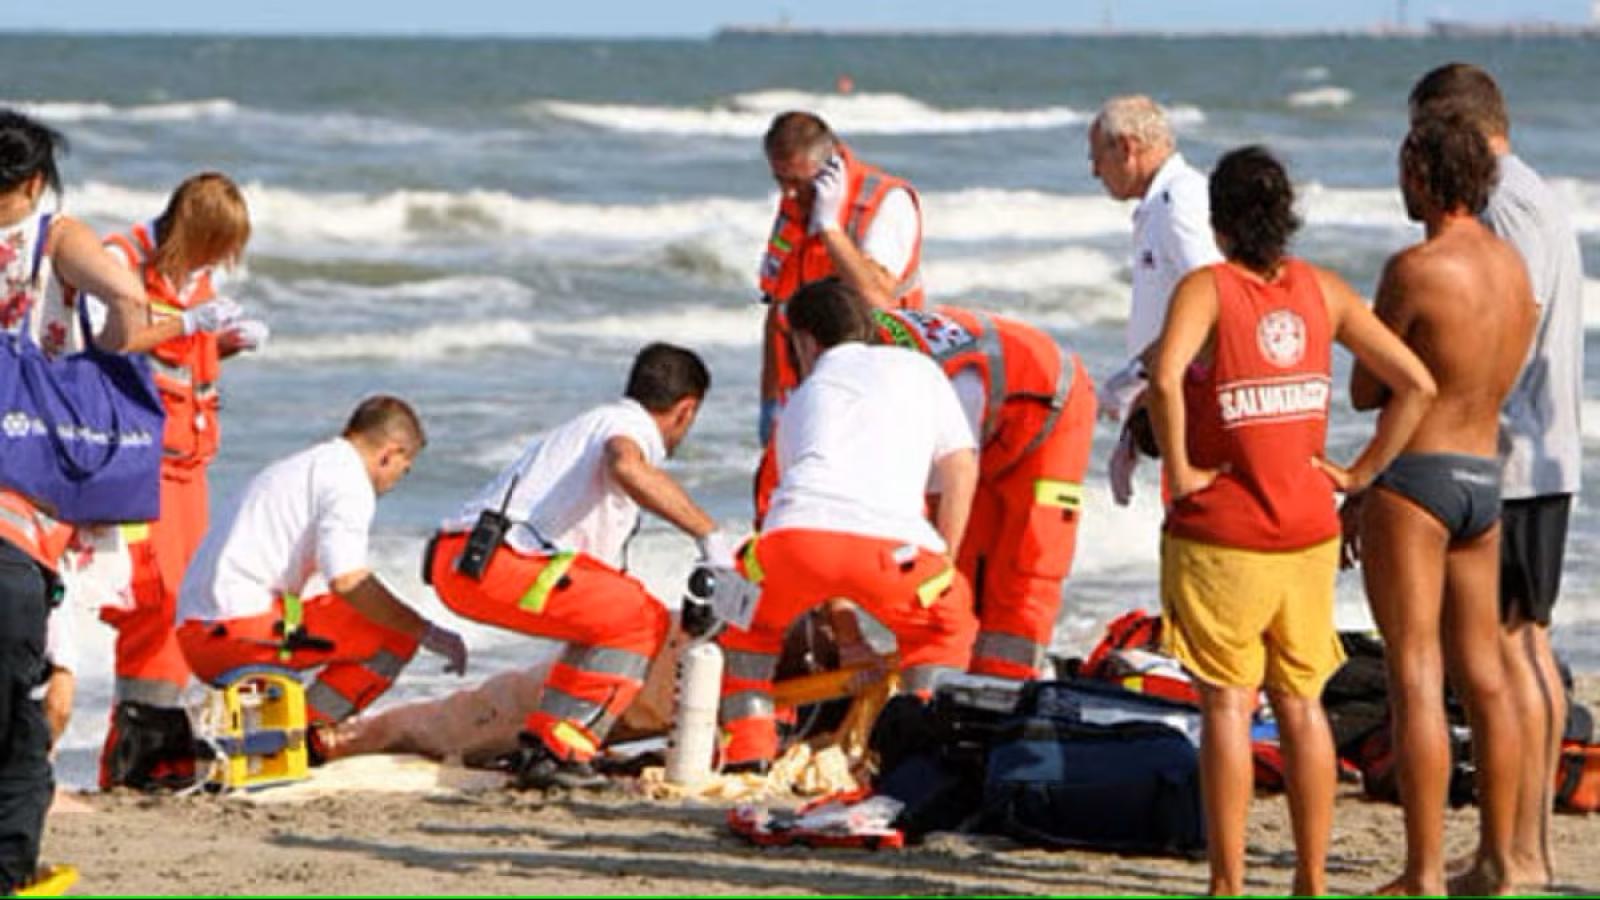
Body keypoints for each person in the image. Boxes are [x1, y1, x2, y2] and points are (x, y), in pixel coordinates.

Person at [1147, 146, 1435, 897]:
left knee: (1227, 705)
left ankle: (1228, 884)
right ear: (1287, 216)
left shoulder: (1206, 289)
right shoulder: (1326, 290)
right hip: (1310, 526)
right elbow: (1416, 383)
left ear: (1217, 223)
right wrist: (1360, 471)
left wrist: (1179, 468)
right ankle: (1310, 881)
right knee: (1301, 703)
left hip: (1224, 532)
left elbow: (1165, 375)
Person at [1347, 116, 1537, 896]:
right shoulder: (1513, 270)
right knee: (1485, 674)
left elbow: (1366, 388)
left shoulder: (1414, 268)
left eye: (1404, 166)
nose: (1399, 180)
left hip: (1415, 479)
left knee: (1416, 674)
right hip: (1482, 478)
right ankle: (1498, 857)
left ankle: (1423, 872)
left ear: (1425, 173)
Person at [1408, 63, 1586, 890]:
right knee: (1528, 647)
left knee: (1506, 653)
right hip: (1549, 449)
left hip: (1510, 452)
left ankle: (1512, 854)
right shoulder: (1541, 192)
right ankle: (1529, 850)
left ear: (1456, 130)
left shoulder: (1503, 204)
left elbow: (1507, 322)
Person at [426, 343, 729, 790]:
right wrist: (710, 537)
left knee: (606, 617)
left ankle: (544, 748)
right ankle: (565, 747)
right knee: (639, 618)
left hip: (460, 559)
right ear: (686, 410)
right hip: (496, 560)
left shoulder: (588, 426)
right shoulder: (628, 427)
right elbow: (625, 463)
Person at [0, 108, 166, 894]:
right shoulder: (54, 236)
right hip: (34, 483)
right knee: (40, 680)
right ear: (34, 182)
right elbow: (126, 303)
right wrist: (147, 326)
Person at [719, 278, 979, 772]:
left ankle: (747, 756)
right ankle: (921, 753)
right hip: (896, 553)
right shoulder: (920, 368)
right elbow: (960, 469)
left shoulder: (804, 397)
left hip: (792, 546)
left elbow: (818, 526)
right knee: (944, 629)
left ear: (806, 341)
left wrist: (847, 631)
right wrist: (944, 558)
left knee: (744, 625)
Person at [97, 172, 270, 790]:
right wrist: (189, 323)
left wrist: (225, 343)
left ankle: (159, 749)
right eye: (217, 245)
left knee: (185, 603)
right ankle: (131, 750)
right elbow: (109, 343)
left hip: (190, 465)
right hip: (138, 462)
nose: (222, 261)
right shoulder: (120, 260)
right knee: (149, 600)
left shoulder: (196, 278)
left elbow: (182, 357)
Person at [175, 396, 468, 754]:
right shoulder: (350, 482)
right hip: (233, 635)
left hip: (201, 630)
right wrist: (428, 632)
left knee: (347, 617)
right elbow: (347, 580)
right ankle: (299, 738)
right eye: (402, 470)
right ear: (390, 453)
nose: (395, 482)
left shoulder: (306, 466)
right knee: (392, 633)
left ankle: (289, 729)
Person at [870, 305, 1097, 679]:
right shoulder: (847, 365)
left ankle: (1003, 693)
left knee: (1026, 568)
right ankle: (952, 678)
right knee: (968, 569)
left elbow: (943, 497)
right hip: (991, 425)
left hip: (1052, 417)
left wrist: (931, 582)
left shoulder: (939, 387)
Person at [1087, 95, 1223, 505]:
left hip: (1196, 406)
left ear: (1126, 148)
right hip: (1170, 399)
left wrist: (1133, 380)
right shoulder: (1158, 205)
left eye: (1097, 158)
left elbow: (1217, 302)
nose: (1095, 172)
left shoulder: (1179, 202)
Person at [756, 111, 924, 442]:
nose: (788, 194)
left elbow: (879, 300)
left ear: (828, 170)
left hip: (873, 393)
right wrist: (770, 400)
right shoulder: (795, 208)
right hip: (806, 395)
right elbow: (778, 308)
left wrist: (830, 229)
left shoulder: (885, 204)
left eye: (797, 183)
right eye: (780, 180)